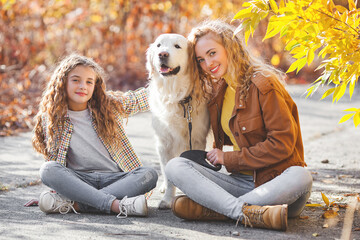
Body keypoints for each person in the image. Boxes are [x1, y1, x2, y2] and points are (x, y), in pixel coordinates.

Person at [165, 19, 313, 231]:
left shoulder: (264, 84)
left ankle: (219, 210)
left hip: (278, 184)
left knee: (301, 175)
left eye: (212, 53)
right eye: (200, 59)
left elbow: (282, 144)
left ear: (229, 47)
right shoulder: (219, 91)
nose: (208, 64)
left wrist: (228, 158)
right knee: (175, 166)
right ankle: (246, 212)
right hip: (241, 183)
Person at [32, 54, 158, 218]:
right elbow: (54, 158)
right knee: (48, 170)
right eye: (76, 80)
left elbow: (139, 99)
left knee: (149, 174)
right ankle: (116, 205)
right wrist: (57, 188)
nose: (83, 86)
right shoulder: (51, 118)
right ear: (62, 82)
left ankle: (79, 204)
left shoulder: (108, 105)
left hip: (116, 179)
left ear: (95, 86)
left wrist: (172, 79)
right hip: (81, 181)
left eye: (89, 82)